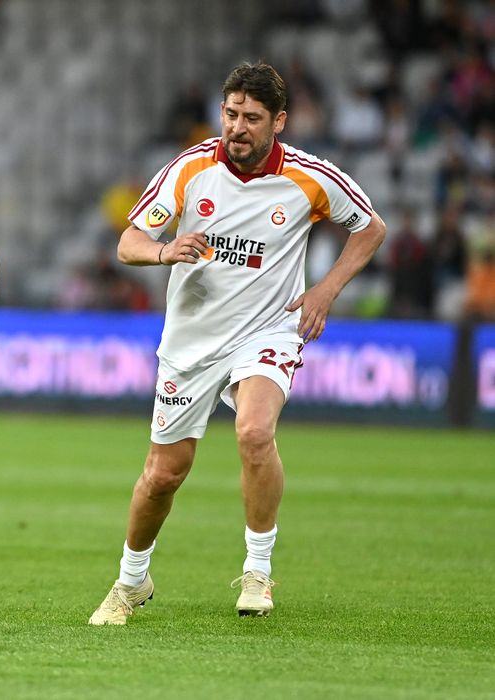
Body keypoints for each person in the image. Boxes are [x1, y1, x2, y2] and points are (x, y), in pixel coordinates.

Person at [89, 62, 386, 624]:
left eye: (251, 117)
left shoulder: (309, 177)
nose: (237, 127)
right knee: (164, 474)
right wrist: (164, 251)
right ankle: (131, 580)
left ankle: (257, 571)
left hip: (268, 330)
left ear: (279, 121)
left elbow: (371, 227)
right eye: (230, 114)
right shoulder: (190, 167)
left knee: (253, 432)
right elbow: (129, 241)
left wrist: (325, 290)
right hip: (192, 341)